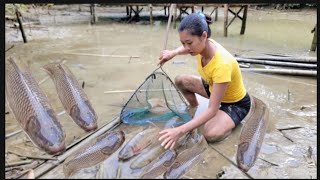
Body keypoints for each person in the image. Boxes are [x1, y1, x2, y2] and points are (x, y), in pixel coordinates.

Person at [158, 12, 251, 150]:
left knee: (209, 134)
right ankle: (194, 108)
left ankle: (228, 125)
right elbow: (186, 47)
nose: (187, 47)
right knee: (180, 80)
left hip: (235, 103)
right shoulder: (201, 46)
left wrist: (180, 130)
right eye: (183, 43)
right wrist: (173, 53)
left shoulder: (222, 64)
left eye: (189, 43)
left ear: (204, 36)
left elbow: (212, 109)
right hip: (213, 88)